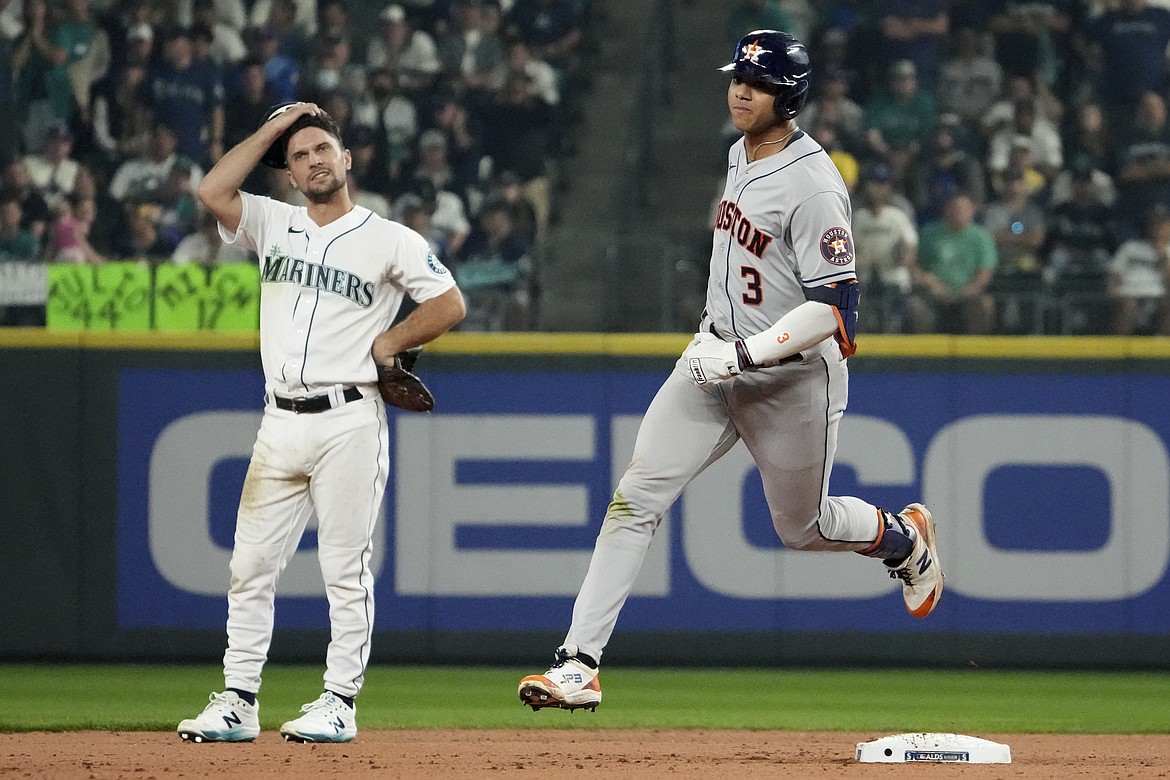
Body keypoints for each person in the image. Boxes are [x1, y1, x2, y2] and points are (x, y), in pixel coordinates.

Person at [517, 30, 944, 714]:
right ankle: (578, 664)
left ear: (791, 95)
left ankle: (903, 538)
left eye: (760, 82)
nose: (742, 90)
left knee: (803, 527)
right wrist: (722, 347)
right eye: (739, 77)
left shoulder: (813, 185)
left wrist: (746, 354)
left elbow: (836, 308)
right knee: (635, 499)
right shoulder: (738, 151)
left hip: (792, 380)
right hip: (710, 358)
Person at [176, 101, 465, 743]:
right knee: (249, 567)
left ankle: (338, 701)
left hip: (349, 419)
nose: (313, 161)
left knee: (344, 568)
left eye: (322, 149)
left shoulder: (389, 237)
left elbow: (449, 301)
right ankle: (238, 700)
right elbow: (213, 189)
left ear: (347, 157)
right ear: (291, 173)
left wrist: (390, 344)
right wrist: (273, 130)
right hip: (278, 420)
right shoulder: (273, 223)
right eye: (300, 156)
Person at [910, 193, 998, 334]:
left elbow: (985, 272)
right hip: (933, 293)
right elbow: (914, 264)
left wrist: (968, 290)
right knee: (915, 306)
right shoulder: (929, 234)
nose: (958, 212)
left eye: (963, 208)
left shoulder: (982, 237)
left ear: (972, 210)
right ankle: (925, 352)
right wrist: (929, 283)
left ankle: (976, 351)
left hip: (968, 295)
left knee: (984, 305)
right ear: (946, 209)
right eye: (955, 208)